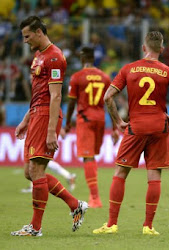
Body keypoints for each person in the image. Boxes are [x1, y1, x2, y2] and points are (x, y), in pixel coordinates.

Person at [92, 31, 169, 235]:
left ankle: (112, 224)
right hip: (159, 127)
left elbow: (108, 97)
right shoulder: (168, 71)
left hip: (136, 126)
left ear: (143, 48)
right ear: (162, 49)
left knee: (120, 173)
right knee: (154, 176)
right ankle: (148, 226)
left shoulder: (129, 69)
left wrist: (118, 121)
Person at [11, 16, 88, 237]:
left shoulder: (55, 58)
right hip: (36, 114)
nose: (25, 41)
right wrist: (26, 119)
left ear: (38, 32)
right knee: (31, 172)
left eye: (27, 36)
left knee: (36, 171)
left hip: (46, 116)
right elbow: (38, 94)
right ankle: (75, 205)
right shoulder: (39, 56)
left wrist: (51, 131)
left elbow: (55, 97)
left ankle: (35, 227)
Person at [61, 47, 119, 208]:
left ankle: (95, 198)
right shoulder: (105, 77)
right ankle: (94, 195)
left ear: (82, 58)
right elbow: (110, 103)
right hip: (100, 119)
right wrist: (115, 128)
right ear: (94, 59)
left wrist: (66, 125)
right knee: (92, 156)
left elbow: (72, 102)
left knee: (88, 157)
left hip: (85, 119)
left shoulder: (77, 77)